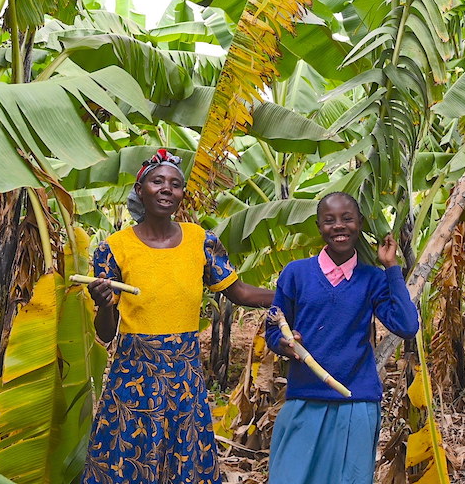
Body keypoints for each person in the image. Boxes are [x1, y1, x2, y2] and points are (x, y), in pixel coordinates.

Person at [82, 148, 274, 484]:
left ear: (182, 193)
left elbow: (239, 292)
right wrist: (105, 304)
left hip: (184, 376)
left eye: (175, 183)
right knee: (130, 457)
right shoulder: (113, 248)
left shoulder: (201, 241)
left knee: (185, 460)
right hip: (134, 375)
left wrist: (295, 297)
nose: (167, 188)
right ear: (140, 190)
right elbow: (107, 332)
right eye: (157, 181)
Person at [264, 192, 420, 484]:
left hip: (355, 402)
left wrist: (391, 267)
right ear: (318, 226)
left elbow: (407, 325)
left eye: (347, 219)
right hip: (305, 398)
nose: (339, 226)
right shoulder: (295, 273)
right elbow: (273, 327)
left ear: (359, 223)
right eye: (329, 220)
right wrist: (284, 343)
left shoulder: (372, 278)